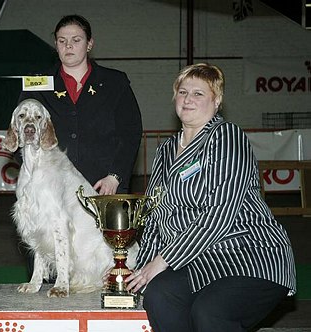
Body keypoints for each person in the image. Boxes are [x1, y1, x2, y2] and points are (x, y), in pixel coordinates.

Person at [125, 63, 296, 331]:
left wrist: (163, 260)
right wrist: (138, 269)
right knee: (158, 294)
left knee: (210, 313)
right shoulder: (166, 150)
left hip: (248, 254)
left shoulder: (226, 136)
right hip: (200, 260)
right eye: (183, 92)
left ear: (216, 101)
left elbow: (219, 213)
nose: (188, 99)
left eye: (198, 94)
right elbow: (155, 217)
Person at [19, 14, 142, 195]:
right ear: (56, 45)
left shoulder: (115, 82)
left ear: (89, 44)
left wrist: (115, 176)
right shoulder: (35, 85)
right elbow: (19, 132)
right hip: (51, 188)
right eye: (62, 41)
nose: (68, 46)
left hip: (104, 186)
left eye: (76, 40)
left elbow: (130, 133)